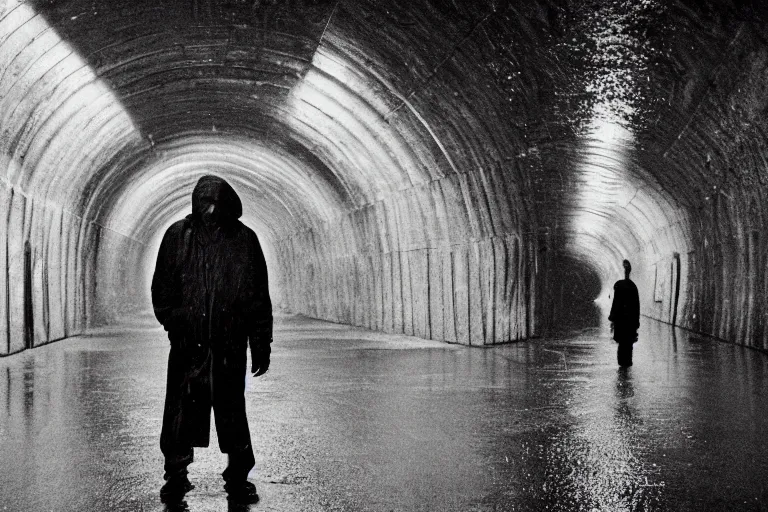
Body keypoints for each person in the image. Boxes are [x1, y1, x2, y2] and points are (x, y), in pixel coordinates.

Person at [151, 175, 272, 504]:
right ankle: (175, 474)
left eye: (216, 203)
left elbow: (258, 295)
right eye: (204, 202)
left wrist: (261, 342)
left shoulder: (245, 239)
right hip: (188, 344)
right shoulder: (179, 236)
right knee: (179, 409)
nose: (210, 209)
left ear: (229, 204)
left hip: (230, 342)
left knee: (232, 409)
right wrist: (176, 322)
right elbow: (162, 288)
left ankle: (238, 474)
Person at [608, 260, 639, 367]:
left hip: (621, 321)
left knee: (622, 343)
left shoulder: (619, 286)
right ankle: (628, 361)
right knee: (628, 343)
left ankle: (622, 362)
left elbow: (616, 304)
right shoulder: (633, 287)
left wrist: (612, 318)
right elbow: (636, 306)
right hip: (630, 321)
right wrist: (636, 322)